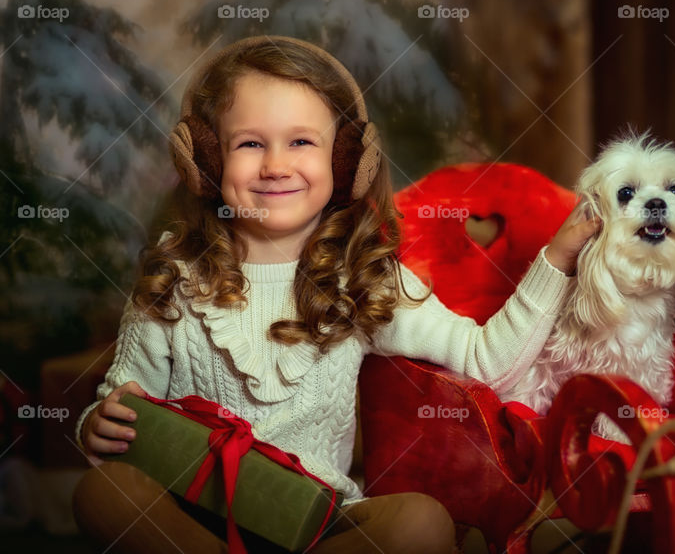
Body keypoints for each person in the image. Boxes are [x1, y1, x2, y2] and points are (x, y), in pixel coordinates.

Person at [71, 35, 600, 554]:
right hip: (191, 521)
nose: (276, 165)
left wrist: (558, 259)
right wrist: (96, 425)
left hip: (318, 527)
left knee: (421, 523)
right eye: (250, 143)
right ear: (207, 162)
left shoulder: (363, 279)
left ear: (345, 162)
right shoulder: (175, 279)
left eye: (301, 141)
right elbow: (122, 407)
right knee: (102, 493)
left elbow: (487, 360)